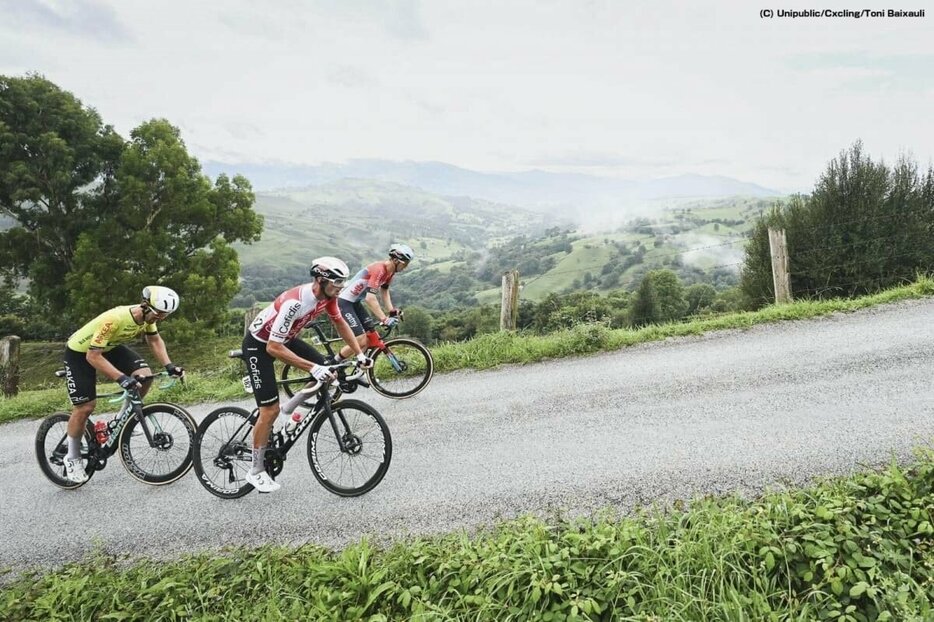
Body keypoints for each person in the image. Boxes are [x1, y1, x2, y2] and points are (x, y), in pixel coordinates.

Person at [242, 256, 373, 493]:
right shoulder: (296, 302)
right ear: (320, 280)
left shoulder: (327, 297)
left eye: (343, 282)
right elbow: (272, 347)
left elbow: (341, 323)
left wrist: (359, 354)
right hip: (259, 345)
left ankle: (289, 407)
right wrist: (312, 368)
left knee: (328, 369)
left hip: (286, 340)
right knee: (268, 410)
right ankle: (255, 471)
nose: (341, 287)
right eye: (337, 282)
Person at [62, 286, 185, 483]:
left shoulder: (147, 317)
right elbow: (92, 356)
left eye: (166, 315)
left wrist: (169, 366)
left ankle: (121, 419)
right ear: (145, 306)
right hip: (80, 352)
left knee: (144, 376)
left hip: (109, 346)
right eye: (159, 314)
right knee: (85, 407)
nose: (161, 318)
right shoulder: (116, 319)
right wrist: (121, 378)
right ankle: (72, 457)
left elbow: (154, 340)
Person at [335, 243, 414, 362]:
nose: (405, 267)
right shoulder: (379, 270)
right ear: (396, 261)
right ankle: (332, 363)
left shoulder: (390, 272)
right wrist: (384, 319)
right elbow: (370, 298)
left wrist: (391, 311)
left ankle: (360, 369)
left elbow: (385, 291)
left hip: (354, 302)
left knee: (370, 337)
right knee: (361, 340)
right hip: (343, 302)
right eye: (405, 264)